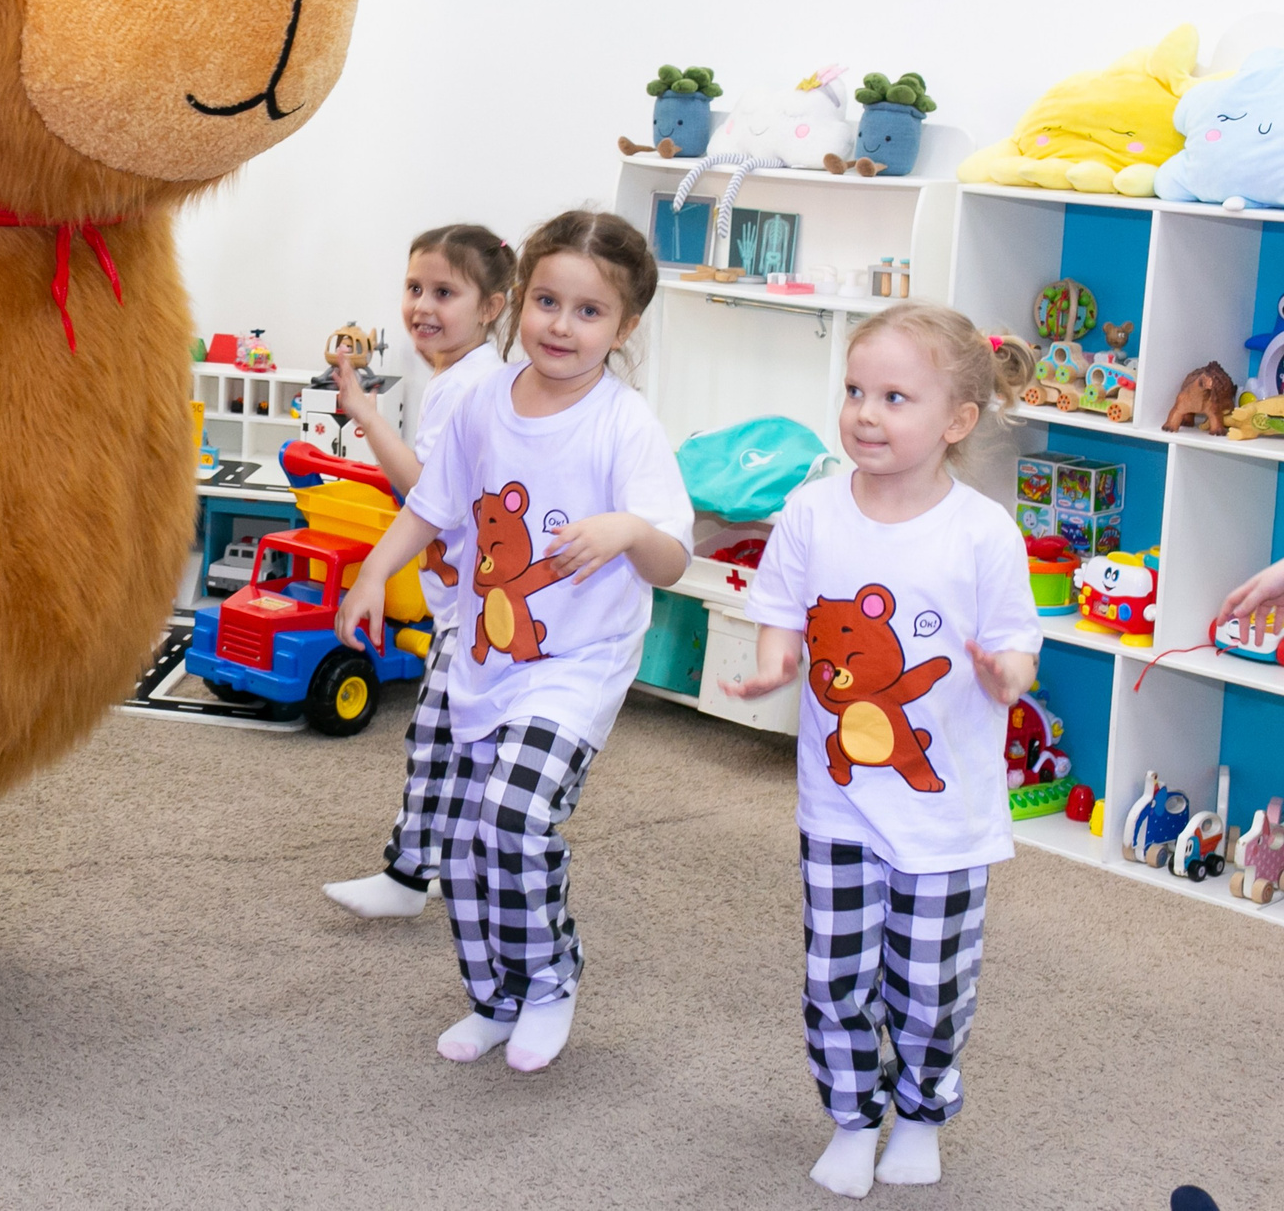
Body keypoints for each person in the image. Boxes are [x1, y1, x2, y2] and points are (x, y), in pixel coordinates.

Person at [336, 209, 691, 1073]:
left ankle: (549, 980)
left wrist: (623, 530)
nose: (561, 327)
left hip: (578, 663)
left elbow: (675, 558)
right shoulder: (483, 399)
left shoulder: (624, 424)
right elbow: (436, 503)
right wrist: (377, 570)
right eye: (546, 301)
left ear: (626, 326)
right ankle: (493, 998)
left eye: (589, 311)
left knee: (515, 818)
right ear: (518, 303)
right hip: (485, 654)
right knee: (461, 836)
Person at [722, 304, 1040, 1198]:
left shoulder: (982, 531)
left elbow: (1018, 640)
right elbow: (784, 612)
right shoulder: (813, 509)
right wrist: (773, 667)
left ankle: (923, 1112)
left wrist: (1004, 676)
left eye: (895, 396)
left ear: (956, 422)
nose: (865, 412)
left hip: (948, 817)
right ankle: (852, 1118)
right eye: (856, 391)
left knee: (929, 990)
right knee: (834, 977)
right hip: (840, 804)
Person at [319, 223, 512, 920]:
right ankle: (447, 864)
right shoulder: (462, 379)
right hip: (466, 597)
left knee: (436, 734)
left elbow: (428, 494)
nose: (423, 306)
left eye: (444, 292)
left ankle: (408, 877)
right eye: (414, 288)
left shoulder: (468, 388)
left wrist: (368, 416)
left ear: (490, 307)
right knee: (458, 738)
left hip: (476, 602)